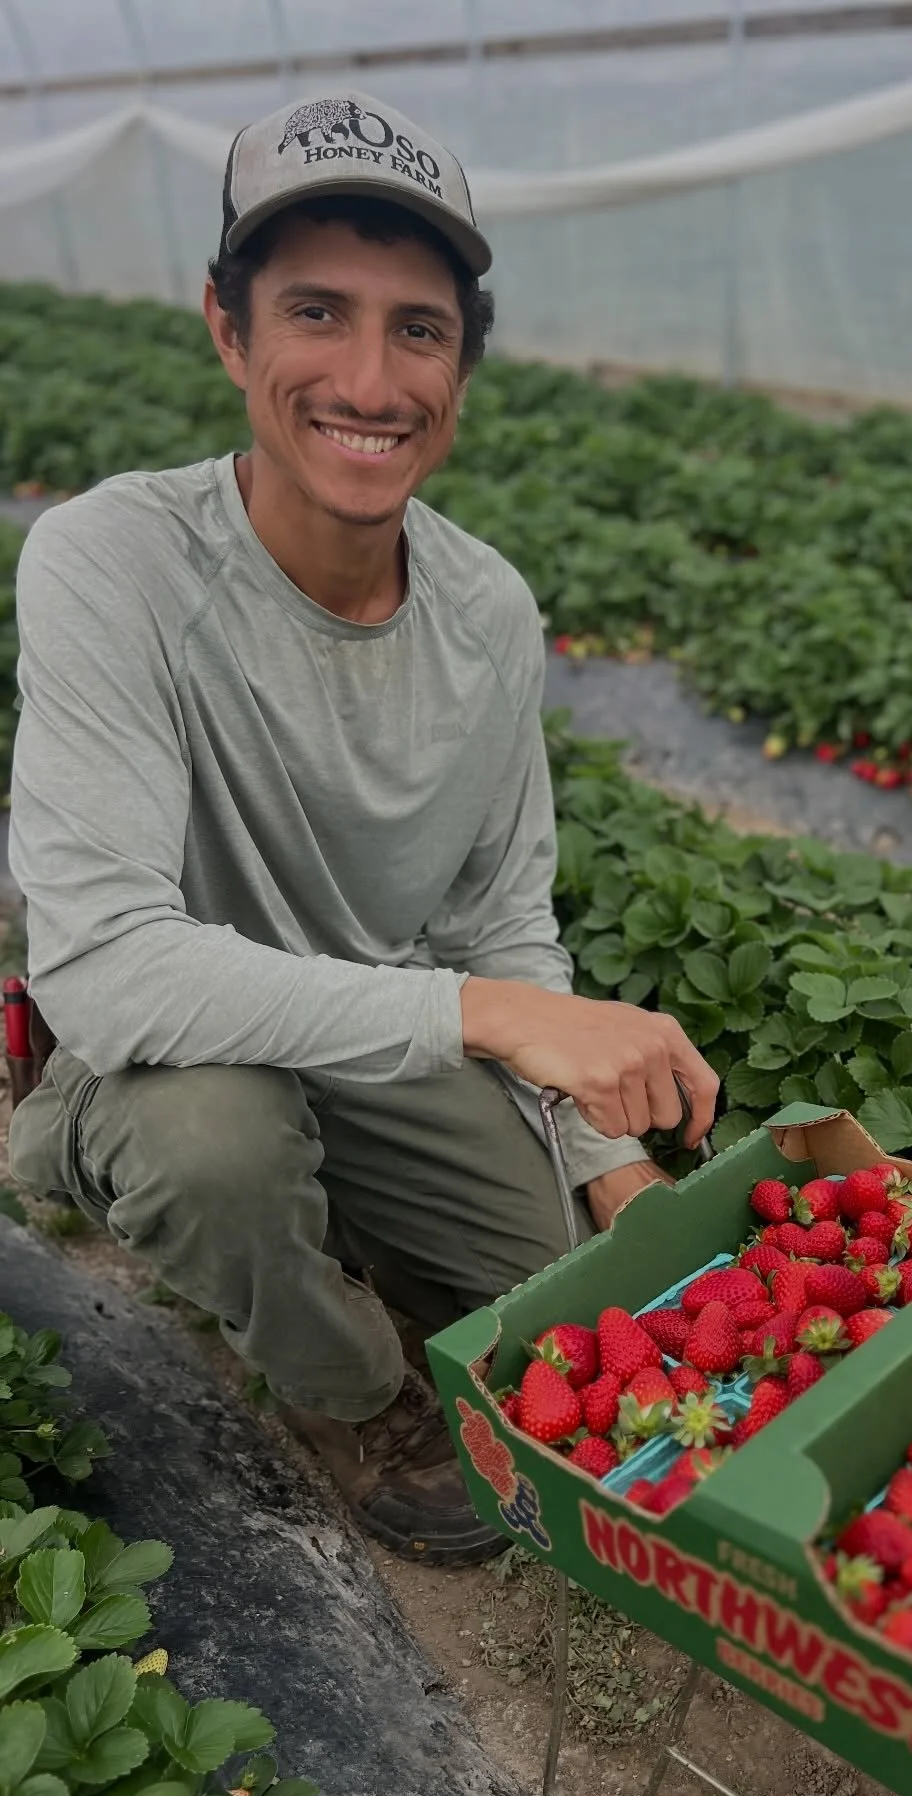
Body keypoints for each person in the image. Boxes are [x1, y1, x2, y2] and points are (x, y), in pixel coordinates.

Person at [6, 91, 718, 1566]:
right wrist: (497, 1017)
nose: (369, 377)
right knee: (215, 1144)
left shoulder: (489, 611)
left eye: (418, 329)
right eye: (316, 313)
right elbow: (112, 967)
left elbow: (501, 915)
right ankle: (359, 1392)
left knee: (576, 1290)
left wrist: (602, 1155)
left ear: (463, 365)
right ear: (228, 330)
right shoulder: (111, 561)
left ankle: (355, 1216)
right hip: (155, 1057)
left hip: (375, 1032)